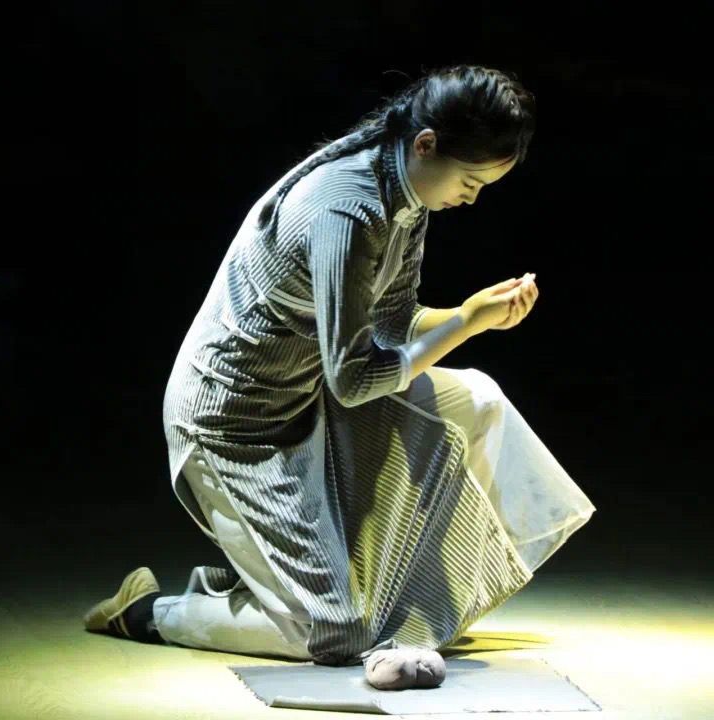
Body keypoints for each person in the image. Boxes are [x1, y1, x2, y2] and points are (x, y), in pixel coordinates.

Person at [83, 64, 596, 672]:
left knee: (478, 399)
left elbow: (392, 323)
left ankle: (405, 612)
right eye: (469, 180)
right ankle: (150, 613)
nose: (471, 198)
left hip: (308, 400)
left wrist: (472, 313)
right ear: (425, 144)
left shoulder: (406, 196)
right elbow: (353, 380)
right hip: (233, 427)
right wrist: (465, 324)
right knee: (332, 635)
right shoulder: (347, 209)